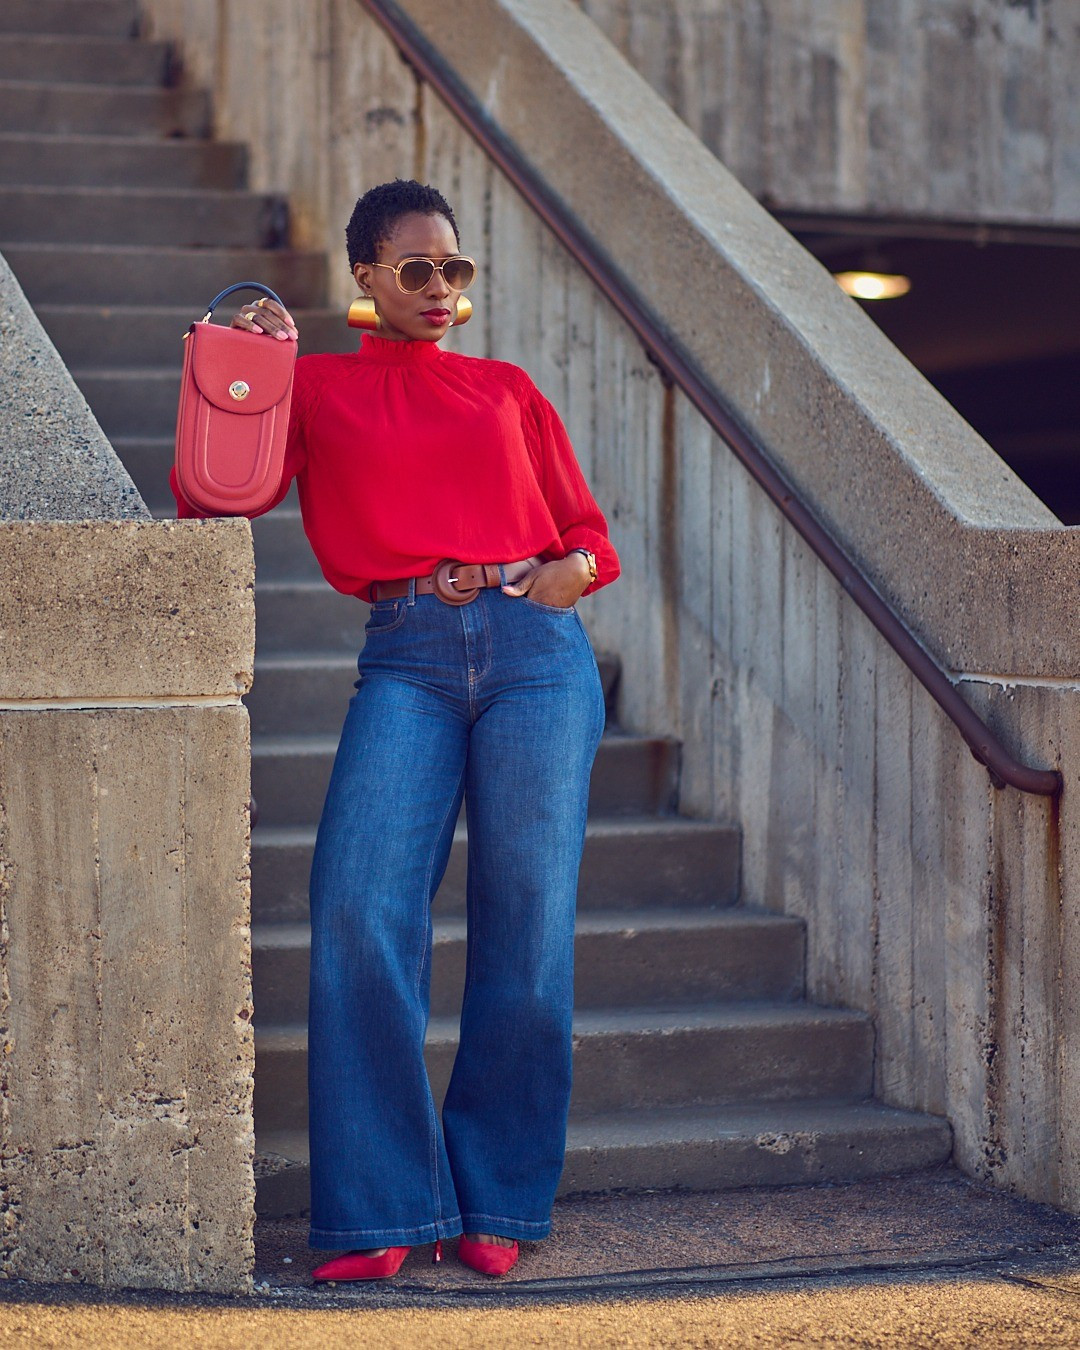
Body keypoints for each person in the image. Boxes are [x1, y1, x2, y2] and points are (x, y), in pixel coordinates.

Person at [172, 178, 620, 1281]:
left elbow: (590, 534)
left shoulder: (507, 389)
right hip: (408, 656)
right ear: (365, 278)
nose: (437, 288)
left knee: (526, 925)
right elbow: (217, 500)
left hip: (536, 658)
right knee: (359, 905)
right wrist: (242, 367)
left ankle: (499, 1199)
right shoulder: (319, 390)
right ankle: (380, 1212)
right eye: (413, 269)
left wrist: (566, 578)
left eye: (453, 270)